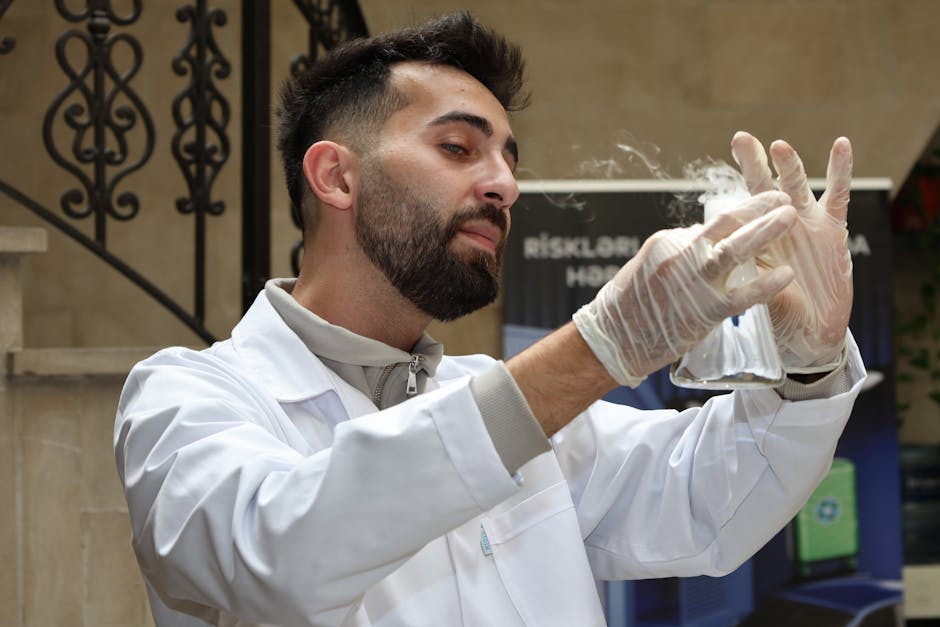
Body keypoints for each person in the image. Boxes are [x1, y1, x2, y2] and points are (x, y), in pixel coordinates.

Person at [114, 11, 863, 627]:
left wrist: (812, 364)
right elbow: (275, 558)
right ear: (336, 176)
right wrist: (599, 348)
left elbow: (707, 495)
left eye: (509, 158)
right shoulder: (186, 399)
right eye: (457, 147)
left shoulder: (499, 402)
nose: (505, 184)